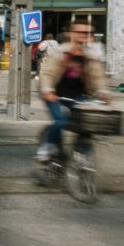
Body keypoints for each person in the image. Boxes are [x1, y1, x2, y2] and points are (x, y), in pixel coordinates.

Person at [38, 20, 107, 162]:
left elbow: (98, 76)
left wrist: (103, 92)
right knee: (60, 121)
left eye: (88, 32)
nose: (84, 35)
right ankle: (48, 146)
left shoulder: (90, 55)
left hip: (78, 96)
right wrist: (48, 90)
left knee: (87, 123)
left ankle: (82, 154)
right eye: (80, 32)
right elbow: (47, 73)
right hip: (55, 94)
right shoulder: (60, 51)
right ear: (70, 33)